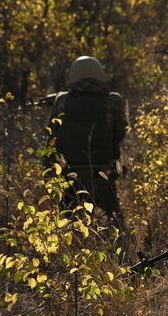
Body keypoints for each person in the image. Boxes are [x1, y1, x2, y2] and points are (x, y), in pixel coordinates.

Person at [49, 55, 128, 235]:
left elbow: (51, 139)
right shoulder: (113, 101)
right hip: (103, 176)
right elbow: (120, 134)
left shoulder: (61, 102)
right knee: (114, 229)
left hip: (69, 178)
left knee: (68, 229)